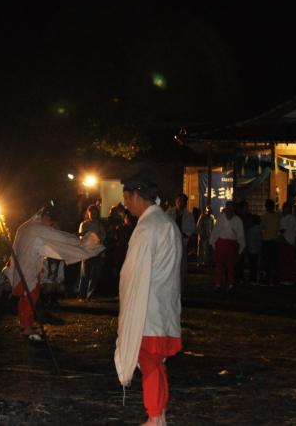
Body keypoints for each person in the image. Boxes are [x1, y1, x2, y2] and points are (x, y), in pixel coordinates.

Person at [115, 177, 182, 426]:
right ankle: (159, 414)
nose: (126, 206)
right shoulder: (167, 223)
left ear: (136, 197)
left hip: (148, 308)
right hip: (164, 306)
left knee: (150, 364)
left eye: (126, 199)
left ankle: (155, 417)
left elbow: (133, 273)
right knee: (157, 365)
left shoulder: (146, 228)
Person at [8, 205, 105, 339]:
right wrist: (81, 242)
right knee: (30, 298)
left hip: (22, 269)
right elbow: (60, 238)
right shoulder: (38, 229)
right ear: (46, 217)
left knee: (27, 298)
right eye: (50, 222)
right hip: (27, 270)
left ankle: (26, 325)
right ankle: (27, 327)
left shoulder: (24, 227)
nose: (51, 225)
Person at [209, 201, 246, 291]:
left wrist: (241, 247)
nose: (229, 210)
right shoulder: (220, 219)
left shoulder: (238, 220)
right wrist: (212, 243)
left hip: (232, 244)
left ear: (234, 209)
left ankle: (231, 283)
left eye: (231, 208)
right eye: (228, 208)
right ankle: (218, 283)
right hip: (221, 243)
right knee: (219, 265)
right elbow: (215, 232)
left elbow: (241, 235)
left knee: (231, 265)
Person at [78, 204, 107, 300]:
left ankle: (90, 295)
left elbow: (103, 236)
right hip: (87, 252)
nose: (93, 215)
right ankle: (82, 295)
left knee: (95, 275)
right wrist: (91, 237)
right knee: (85, 274)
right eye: (92, 213)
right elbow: (82, 237)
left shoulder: (99, 224)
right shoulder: (84, 224)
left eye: (95, 213)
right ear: (88, 213)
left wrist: (98, 238)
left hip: (97, 252)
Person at [167, 193, 196, 291]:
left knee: (182, 265)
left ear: (186, 203)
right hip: (170, 243)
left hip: (182, 242)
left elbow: (191, 229)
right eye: (179, 201)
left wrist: (184, 234)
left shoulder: (189, 215)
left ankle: (182, 286)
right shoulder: (168, 213)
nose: (180, 203)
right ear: (175, 201)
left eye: (183, 201)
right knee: (170, 265)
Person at [260, 199, 281, 286]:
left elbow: (262, 228)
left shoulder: (264, 216)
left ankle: (268, 279)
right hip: (274, 240)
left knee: (267, 261)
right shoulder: (278, 216)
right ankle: (274, 280)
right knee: (274, 261)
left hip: (267, 241)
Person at [278, 203, 296, 285]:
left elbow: (282, 230)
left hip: (286, 242)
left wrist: (281, 237)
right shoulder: (291, 218)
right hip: (290, 242)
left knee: (286, 261)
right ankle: (288, 279)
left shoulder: (287, 218)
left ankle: (287, 279)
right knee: (288, 262)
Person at [246, 215, 263, 285]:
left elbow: (248, 240)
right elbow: (260, 241)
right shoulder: (260, 230)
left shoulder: (250, 230)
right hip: (257, 249)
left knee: (252, 265)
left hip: (251, 249)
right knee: (256, 265)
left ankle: (252, 279)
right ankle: (255, 279)